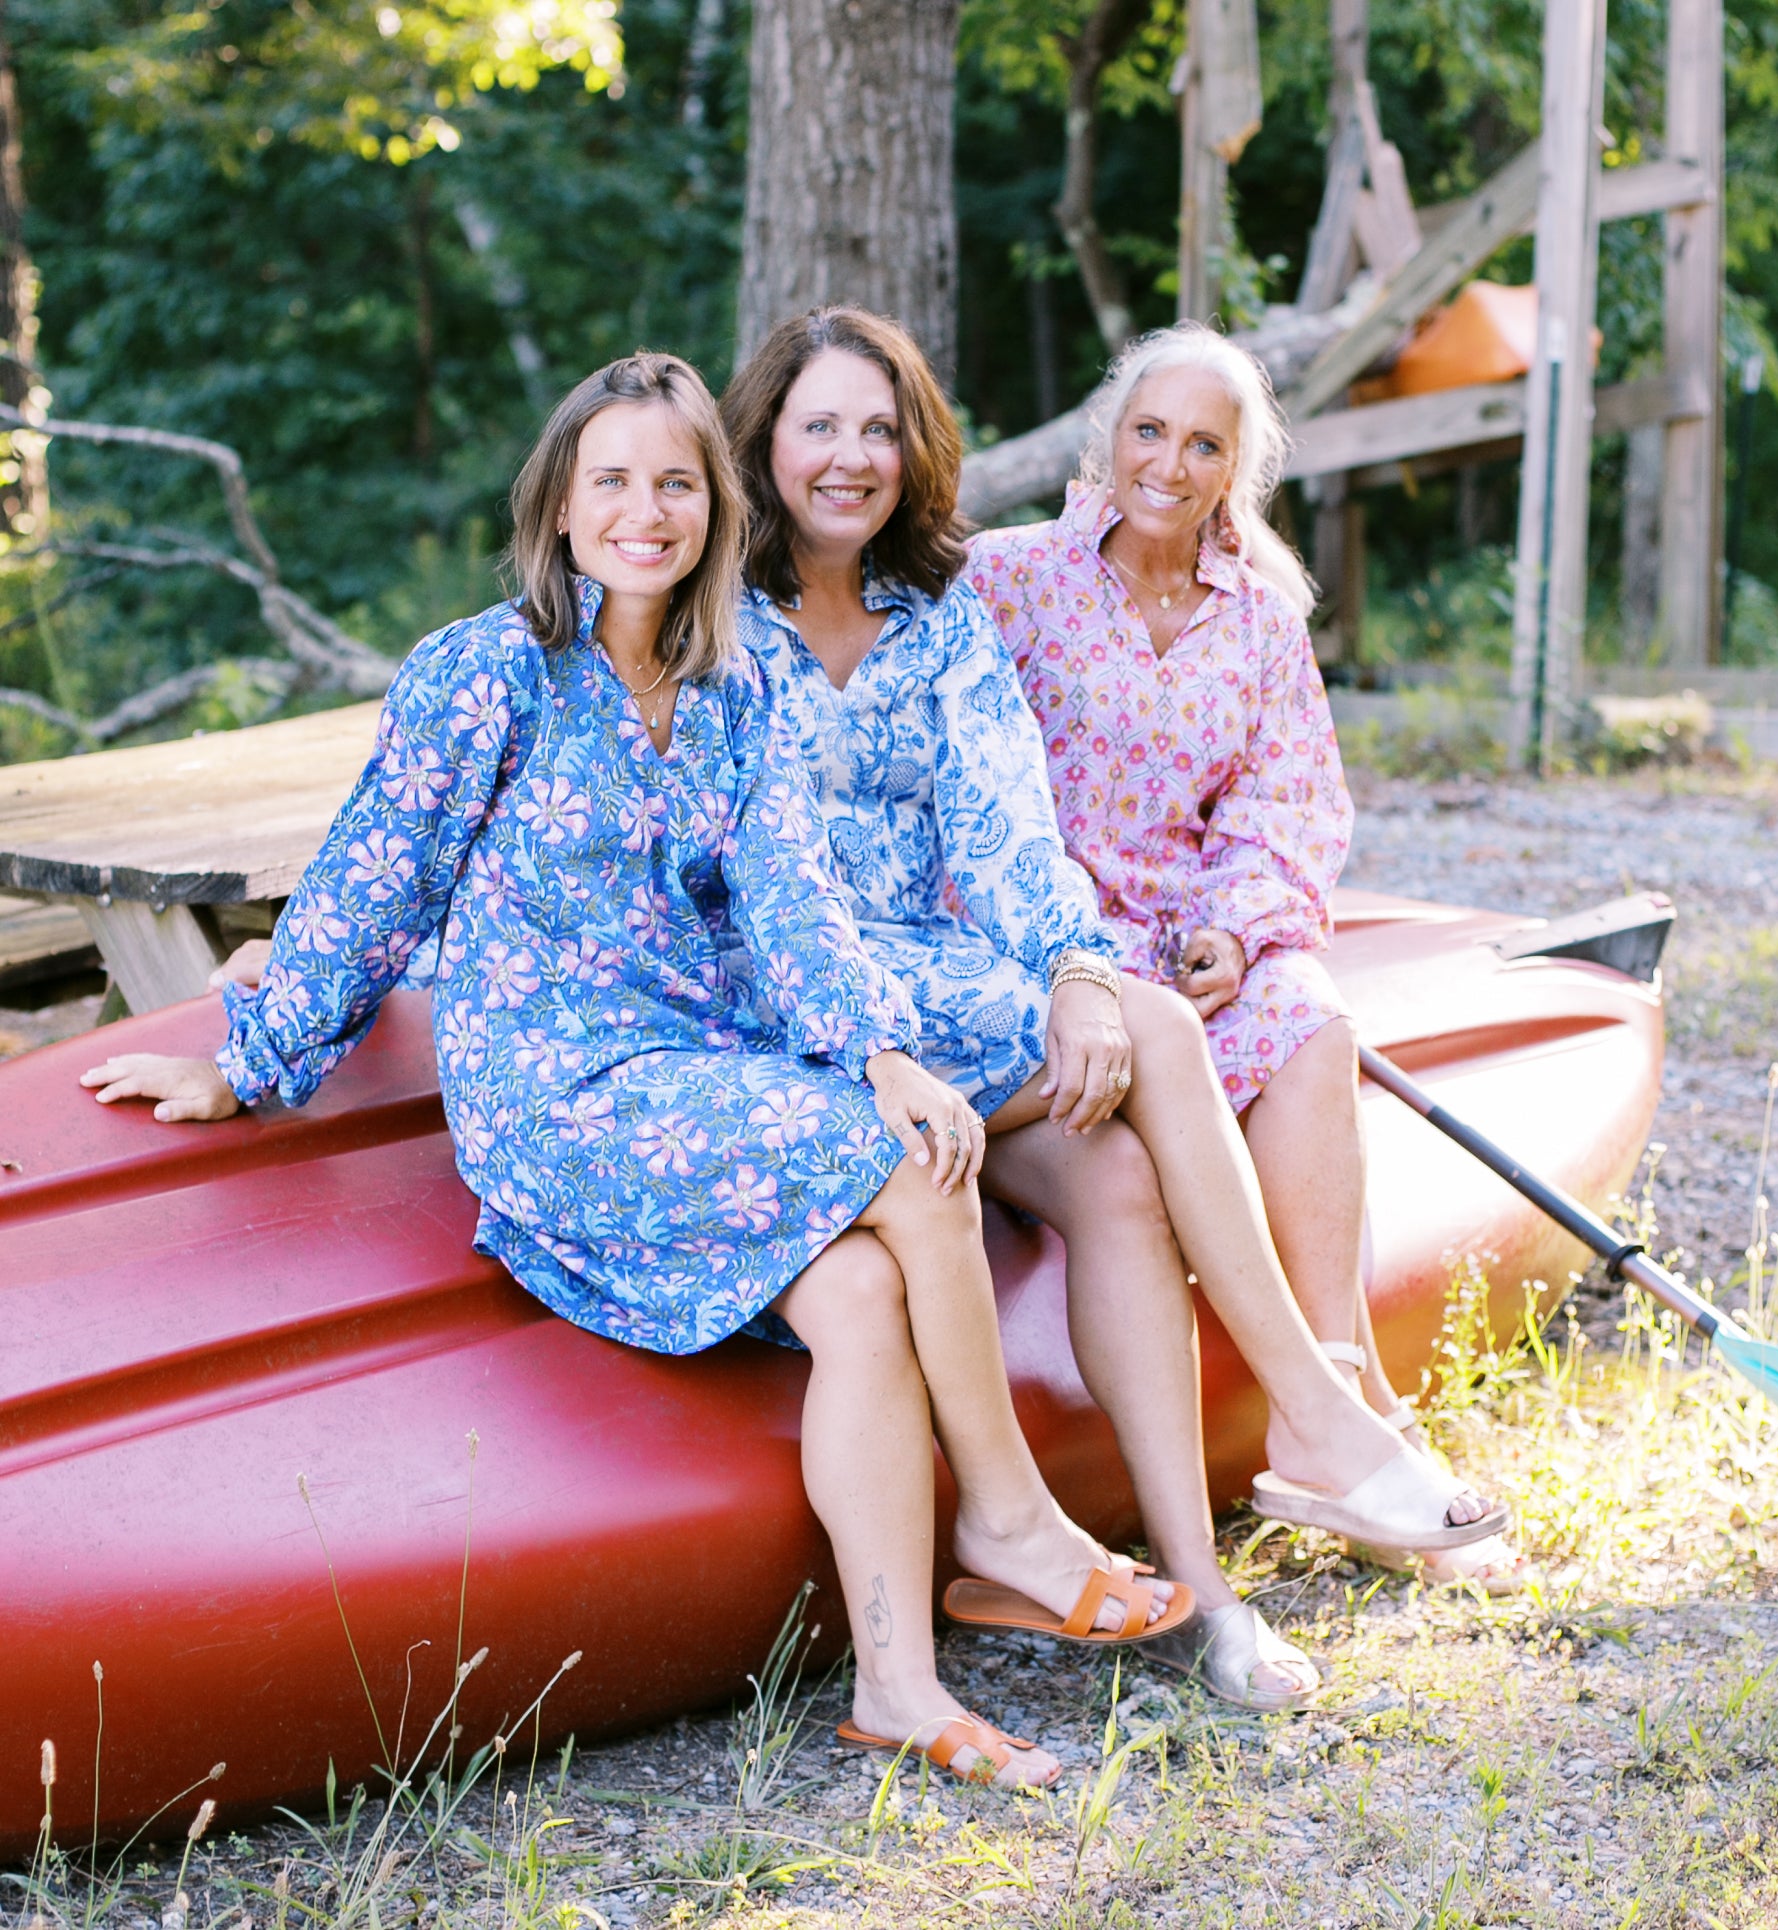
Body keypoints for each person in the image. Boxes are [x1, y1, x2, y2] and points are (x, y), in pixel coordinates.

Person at [80, 352, 1191, 1792]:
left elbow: (793, 899)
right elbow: (373, 879)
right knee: (916, 1174)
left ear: (716, 510)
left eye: (675, 482)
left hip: (703, 1063)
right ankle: (1010, 1519)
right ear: (558, 505)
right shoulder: (484, 673)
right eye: (611, 480)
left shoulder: (737, 685)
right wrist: (250, 1061)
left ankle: (897, 1684)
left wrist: (877, 1051)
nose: (644, 510)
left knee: (862, 1287)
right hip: (555, 1091)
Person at [722, 306, 1511, 1713]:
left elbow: (1008, 824)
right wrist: (1088, 976)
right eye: (819, 426)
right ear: (764, 440)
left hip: (984, 986)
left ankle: (1205, 1595)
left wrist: (1090, 965)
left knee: (1135, 1165)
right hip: (816, 1011)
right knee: (1152, 1025)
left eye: (877, 429)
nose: (850, 456)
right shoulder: (734, 617)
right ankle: (1321, 1415)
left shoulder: (936, 614)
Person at [969, 321, 1525, 1590]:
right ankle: (1360, 1433)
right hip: (1050, 946)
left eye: (1200, 444)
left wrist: (1234, 924)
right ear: (1107, 436)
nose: (1166, 463)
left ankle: (1328, 1404)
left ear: (1236, 469)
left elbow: (1287, 803)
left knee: (1307, 1009)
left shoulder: (1260, 621)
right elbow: (957, 779)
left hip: (1194, 938)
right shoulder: (1007, 580)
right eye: (1147, 431)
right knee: (1184, 1031)